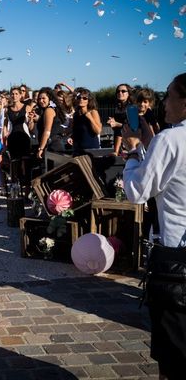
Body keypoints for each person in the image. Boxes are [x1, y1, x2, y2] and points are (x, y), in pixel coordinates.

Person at [122, 73, 186, 380]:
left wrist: (134, 151)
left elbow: (137, 191)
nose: (164, 102)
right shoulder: (165, 140)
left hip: (175, 259)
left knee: (173, 356)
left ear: (184, 103)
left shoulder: (171, 139)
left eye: (170, 96)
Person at [70, 88, 102, 156]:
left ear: (89, 100)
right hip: (77, 149)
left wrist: (90, 118)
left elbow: (98, 130)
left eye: (85, 98)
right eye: (79, 97)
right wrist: (71, 137)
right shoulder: (76, 114)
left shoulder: (93, 112)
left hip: (91, 149)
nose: (81, 99)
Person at [107, 83, 133, 155]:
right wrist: (112, 122)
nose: (120, 93)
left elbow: (133, 127)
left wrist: (117, 124)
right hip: (119, 143)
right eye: (118, 91)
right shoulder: (117, 108)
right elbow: (117, 128)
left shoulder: (132, 108)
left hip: (130, 143)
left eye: (123, 91)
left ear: (129, 94)